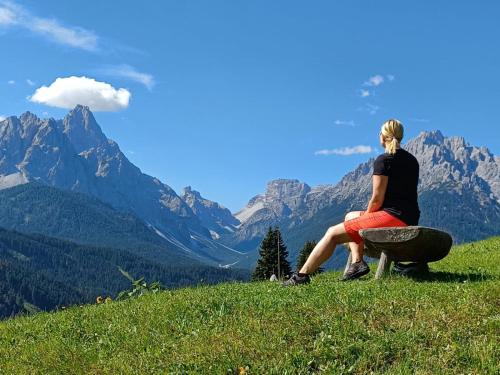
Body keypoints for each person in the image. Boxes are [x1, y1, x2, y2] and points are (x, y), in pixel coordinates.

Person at [283, 119, 420, 286]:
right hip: (410, 217)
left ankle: (301, 276)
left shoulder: (384, 160)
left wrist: (366, 219)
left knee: (332, 233)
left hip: (393, 217)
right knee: (350, 216)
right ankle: (357, 263)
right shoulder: (412, 160)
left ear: (383, 136)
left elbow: (377, 199)